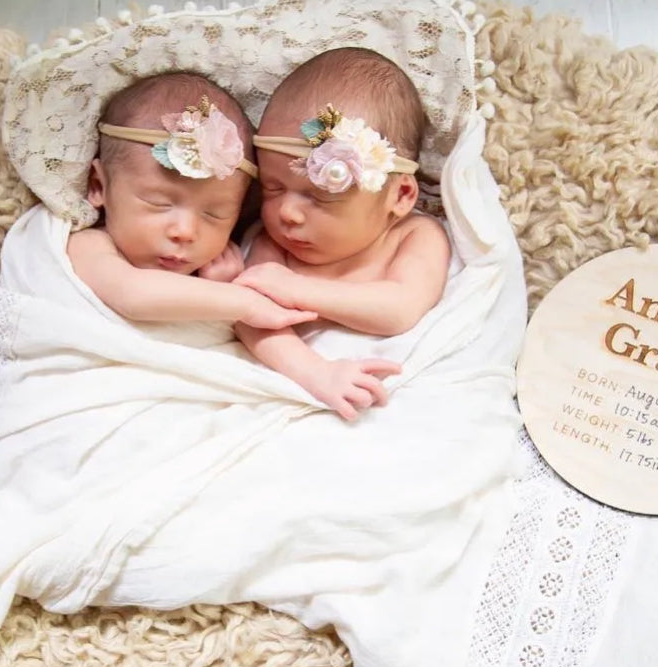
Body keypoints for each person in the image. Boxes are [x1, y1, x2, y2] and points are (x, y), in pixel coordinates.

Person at [234, 47, 452, 421]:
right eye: (272, 188)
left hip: (393, 403)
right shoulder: (272, 244)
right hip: (302, 386)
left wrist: (296, 289)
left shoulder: (415, 236)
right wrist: (315, 373)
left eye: (319, 196)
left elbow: (399, 309)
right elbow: (252, 322)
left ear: (400, 195)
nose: (286, 212)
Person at [67, 72, 317, 331]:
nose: (185, 232)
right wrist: (242, 302)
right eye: (159, 203)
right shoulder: (88, 246)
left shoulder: (226, 267)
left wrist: (221, 285)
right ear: (98, 185)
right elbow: (132, 294)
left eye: (214, 214)